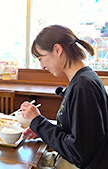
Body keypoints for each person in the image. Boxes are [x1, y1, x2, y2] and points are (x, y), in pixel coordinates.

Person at [20, 25, 108, 169]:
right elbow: (78, 133)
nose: (42, 66)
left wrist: (38, 122)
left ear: (57, 50)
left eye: (41, 58)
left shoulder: (83, 87)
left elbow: (78, 152)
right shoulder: (84, 79)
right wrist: (41, 130)